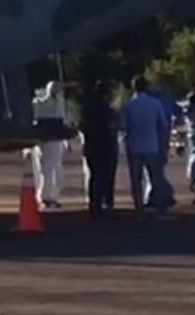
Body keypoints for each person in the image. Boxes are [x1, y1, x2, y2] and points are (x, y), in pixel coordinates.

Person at [117, 76, 169, 215]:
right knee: (155, 176)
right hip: (152, 144)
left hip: (134, 145)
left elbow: (123, 126)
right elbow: (163, 125)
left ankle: (139, 207)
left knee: (136, 179)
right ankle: (159, 205)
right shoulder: (155, 104)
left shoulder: (128, 105)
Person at [80, 80, 119, 218]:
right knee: (103, 176)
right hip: (104, 147)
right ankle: (103, 203)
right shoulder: (106, 109)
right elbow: (111, 126)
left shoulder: (87, 107)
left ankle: (94, 204)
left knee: (94, 176)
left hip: (91, 146)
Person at [32, 80, 72, 209]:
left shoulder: (61, 104)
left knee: (57, 170)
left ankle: (53, 196)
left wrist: (68, 141)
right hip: (45, 142)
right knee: (46, 169)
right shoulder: (40, 103)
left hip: (57, 141)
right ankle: (44, 197)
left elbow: (66, 121)